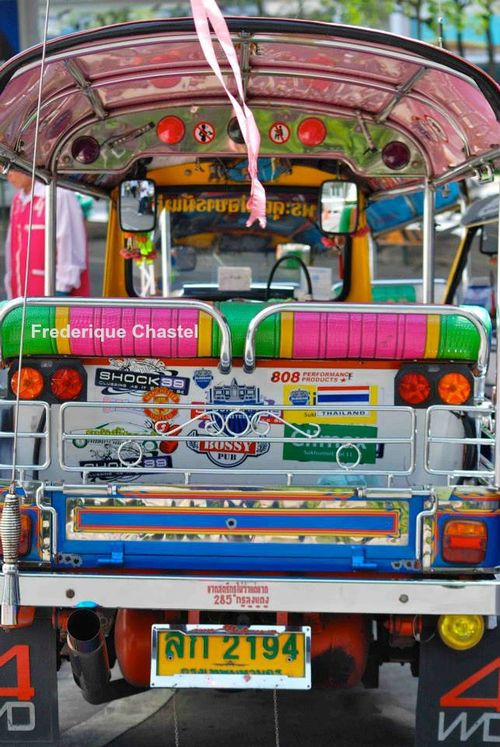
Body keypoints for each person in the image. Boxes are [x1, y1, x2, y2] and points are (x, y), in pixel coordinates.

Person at [4, 169, 90, 297]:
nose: (7, 174)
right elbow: (11, 247)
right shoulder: (17, 200)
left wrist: (61, 292)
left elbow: (69, 246)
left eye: (11, 167)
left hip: (53, 300)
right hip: (21, 299)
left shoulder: (59, 193)